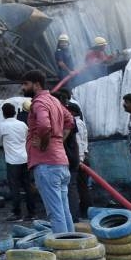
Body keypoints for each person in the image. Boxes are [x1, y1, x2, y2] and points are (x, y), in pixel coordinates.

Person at [21, 70, 75, 233]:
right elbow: (70, 121)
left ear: (36, 84)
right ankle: (73, 247)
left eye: (25, 84)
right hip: (60, 162)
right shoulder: (54, 100)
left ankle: (63, 252)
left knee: (55, 213)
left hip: (46, 164)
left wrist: (45, 143)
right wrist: (58, 140)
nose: (22, 88)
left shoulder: (39, 103)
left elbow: (44, 126)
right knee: (64, 210)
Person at [0, 102, 36, 222]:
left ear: (3, 113)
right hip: (25, 158)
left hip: (12, 161)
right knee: (28, 186)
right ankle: (32, 213)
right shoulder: (22, 125)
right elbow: (27, 138)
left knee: (14, 188)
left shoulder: (2, 126)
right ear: (15, 113)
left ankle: (17, 213)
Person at [54, 89, 82, 222]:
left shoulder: (62, 116)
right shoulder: (68, 116)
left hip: (66, 156)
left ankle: (71, 217)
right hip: (72, 155)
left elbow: (61, 138)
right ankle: (71, 216)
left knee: (68, 187)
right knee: (70, 186)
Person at [68, 102, 92, 217]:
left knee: (79, 187)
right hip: (83, 157)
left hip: (80, 158)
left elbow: (78, 143)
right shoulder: (80, 122)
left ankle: (82, 212)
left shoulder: (75, 123)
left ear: (72, 112)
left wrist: (80, 160)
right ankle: (85, 210)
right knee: (82, 186)